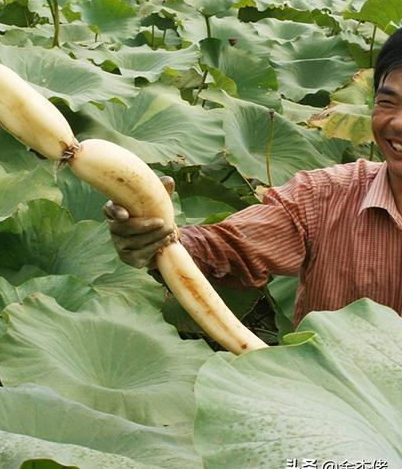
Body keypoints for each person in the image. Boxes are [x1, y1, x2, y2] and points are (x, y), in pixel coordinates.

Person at [104, 28, 402, 325]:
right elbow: (228, 247)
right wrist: (160, 239)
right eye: (387, 103)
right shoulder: (324, 196)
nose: (398, 123)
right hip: (327, 374)